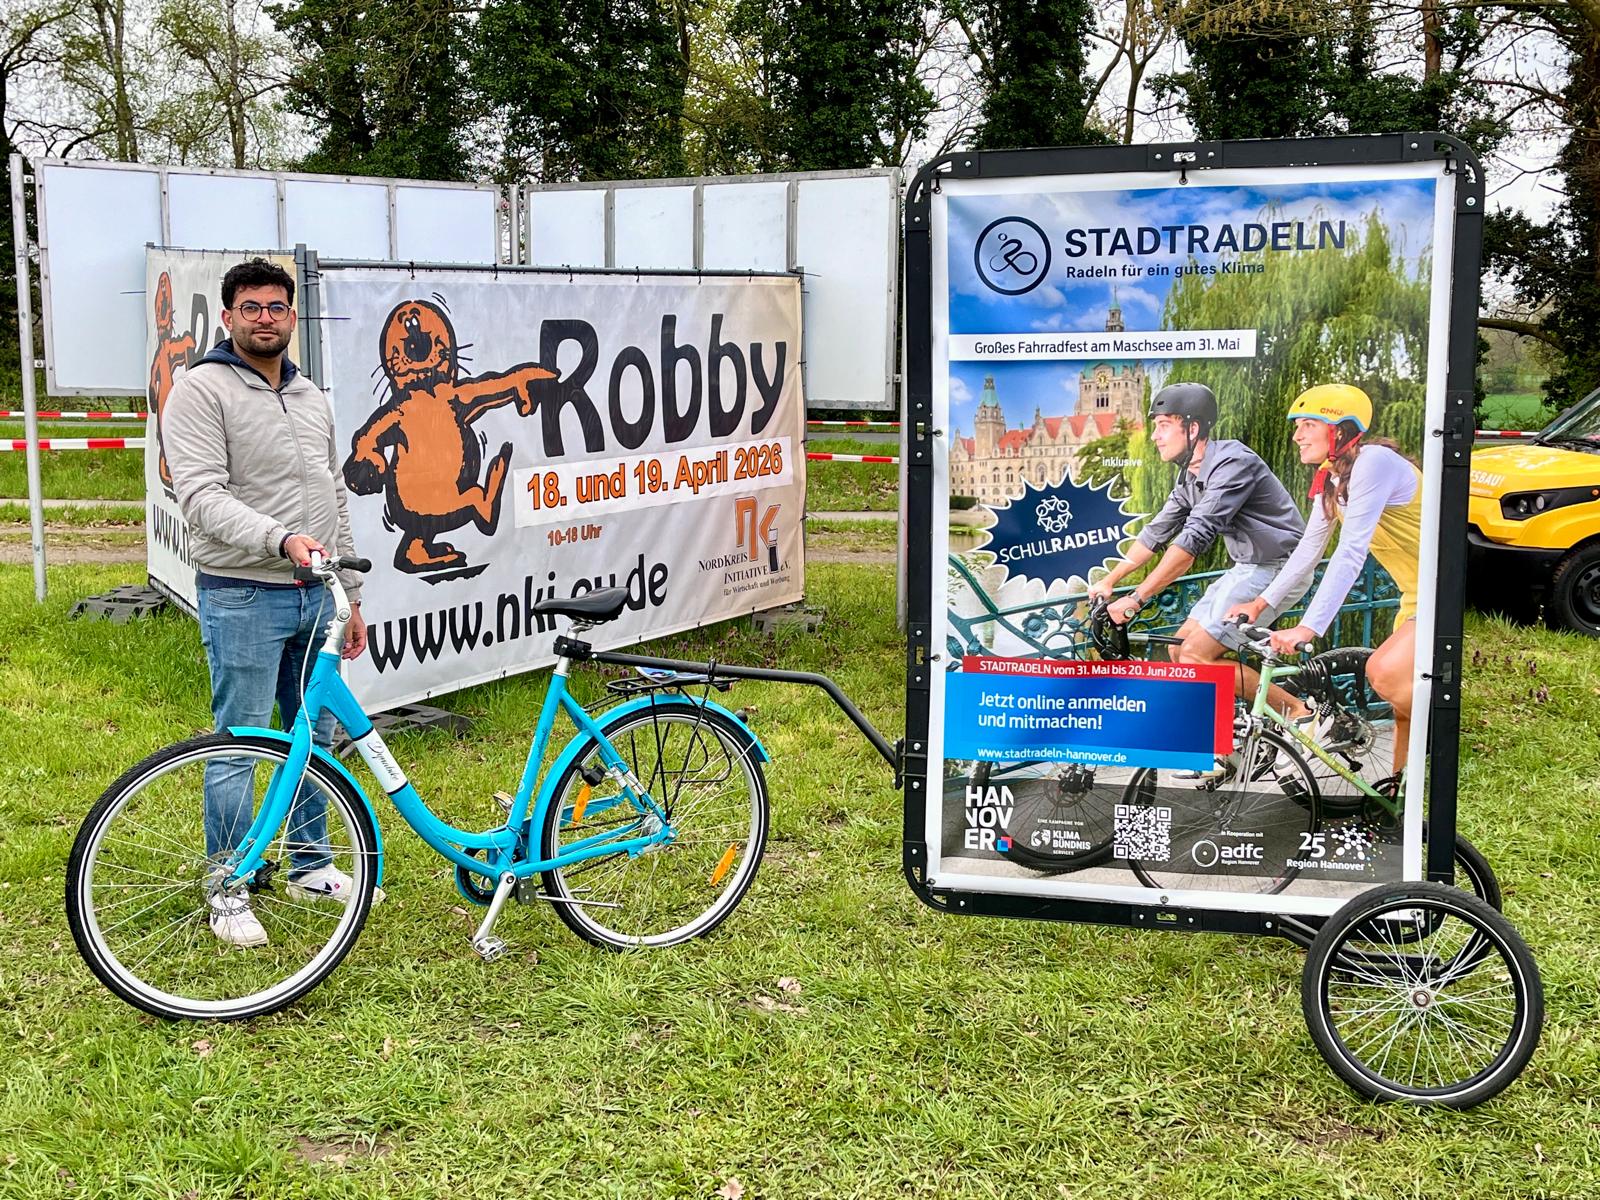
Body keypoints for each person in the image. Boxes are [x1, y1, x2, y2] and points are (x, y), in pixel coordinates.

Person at [163, 257, 375, 947]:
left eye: (276, 307)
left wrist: (351, 595)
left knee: (316, 736)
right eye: (250, 307)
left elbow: (335, 495)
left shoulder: (311, 395)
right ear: (228, 316)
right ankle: (228, 882)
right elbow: (200, 496)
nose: (264, 318)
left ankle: (311, 864)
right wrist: (279, 539)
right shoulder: (200, 391)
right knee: (240, 744)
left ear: (292, 316)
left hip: (318, 594)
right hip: (243, 593)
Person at [1227, 383, 1422, 777]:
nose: (1297, 436)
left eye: (1309, 425)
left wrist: (1308, 628)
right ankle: (1399, 788)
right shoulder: (1331, 479)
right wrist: (1261, 603)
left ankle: (1450, 735)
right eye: (1297, 426)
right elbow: (1309, 550)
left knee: (1385, 674)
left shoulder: (1374, 463)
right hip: (1415, 595)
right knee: (1403, 709)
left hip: (1444, 590)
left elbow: (1350, 552)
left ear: (1341, 429)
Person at [1087, 382, 1311, 719]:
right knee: (1179, 652)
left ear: (1192, 429)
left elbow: (1193, 539)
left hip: (1280, 567)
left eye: (1164, 425)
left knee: (1196, 656)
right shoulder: (1189, 479)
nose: (1155, 436)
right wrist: (1110, 580)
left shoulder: (1233, 463)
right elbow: (1154, 534)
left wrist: (1136, 598)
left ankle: (1298, 711)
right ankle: (1223, 738)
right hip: (1247, 567)